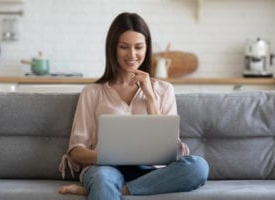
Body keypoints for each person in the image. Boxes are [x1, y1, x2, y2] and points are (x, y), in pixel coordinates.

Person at [58, 12, 209, 199]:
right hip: (106, 169)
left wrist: (150, 97)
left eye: (139, 47)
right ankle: (105, 187)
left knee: (199, 167)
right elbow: (76, 152)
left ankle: (119, 190)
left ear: (147, 49)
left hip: (152, 171)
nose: (132, 55)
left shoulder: (164, 89)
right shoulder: (92, 92)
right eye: (124, 47)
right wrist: (110, 156)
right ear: (113, 48)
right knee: (103, 178)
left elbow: (169, 148)